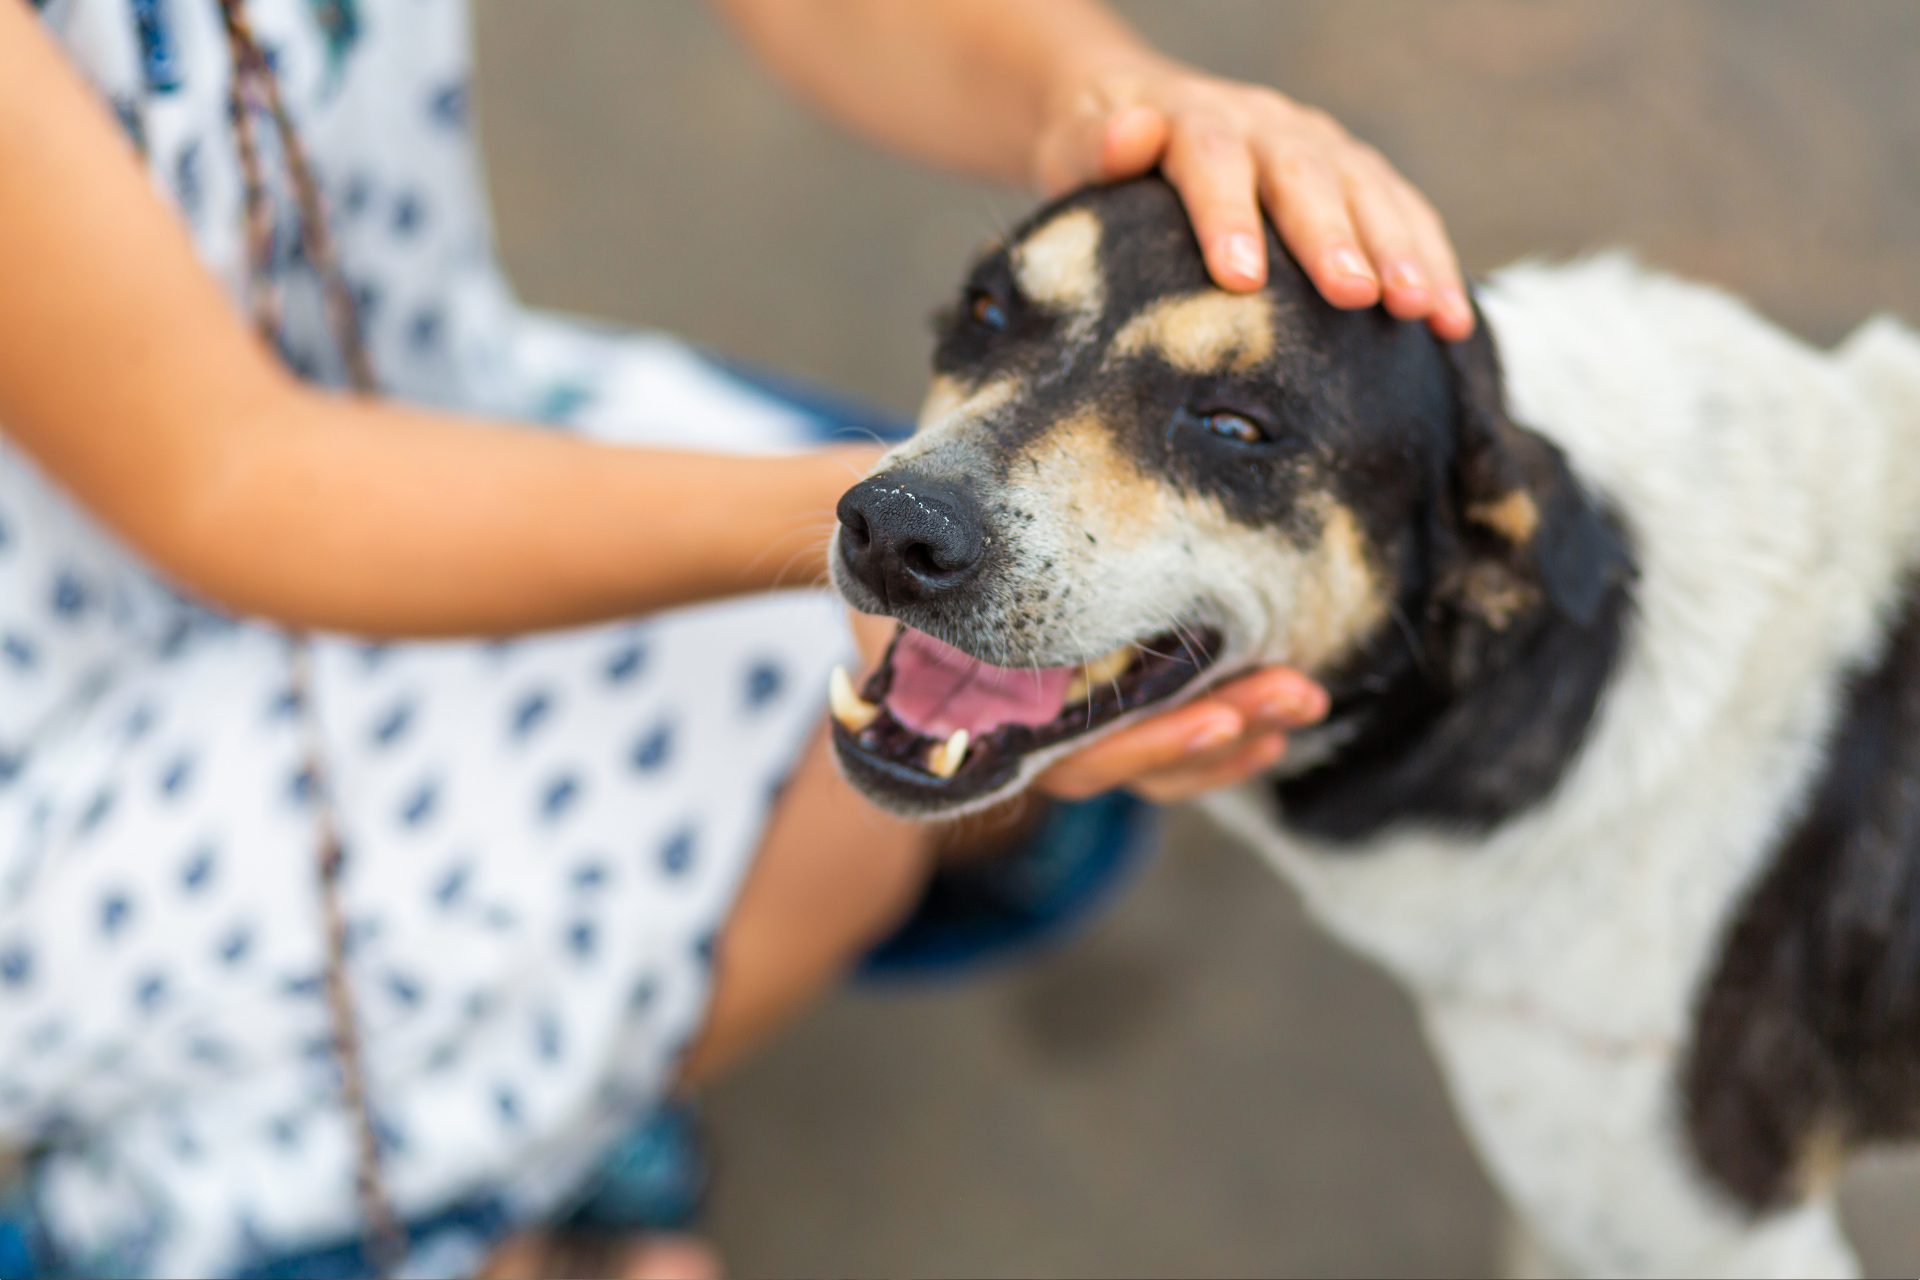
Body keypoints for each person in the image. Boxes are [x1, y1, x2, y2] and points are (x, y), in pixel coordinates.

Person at [0, 0, 1469, 1275]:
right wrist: (906, 523)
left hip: (419, 396)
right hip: (72, 680)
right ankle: (220, 1221)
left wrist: (1106, 92)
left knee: (950, 692)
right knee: (859, 759)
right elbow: (235, 483)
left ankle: (527, 1062)